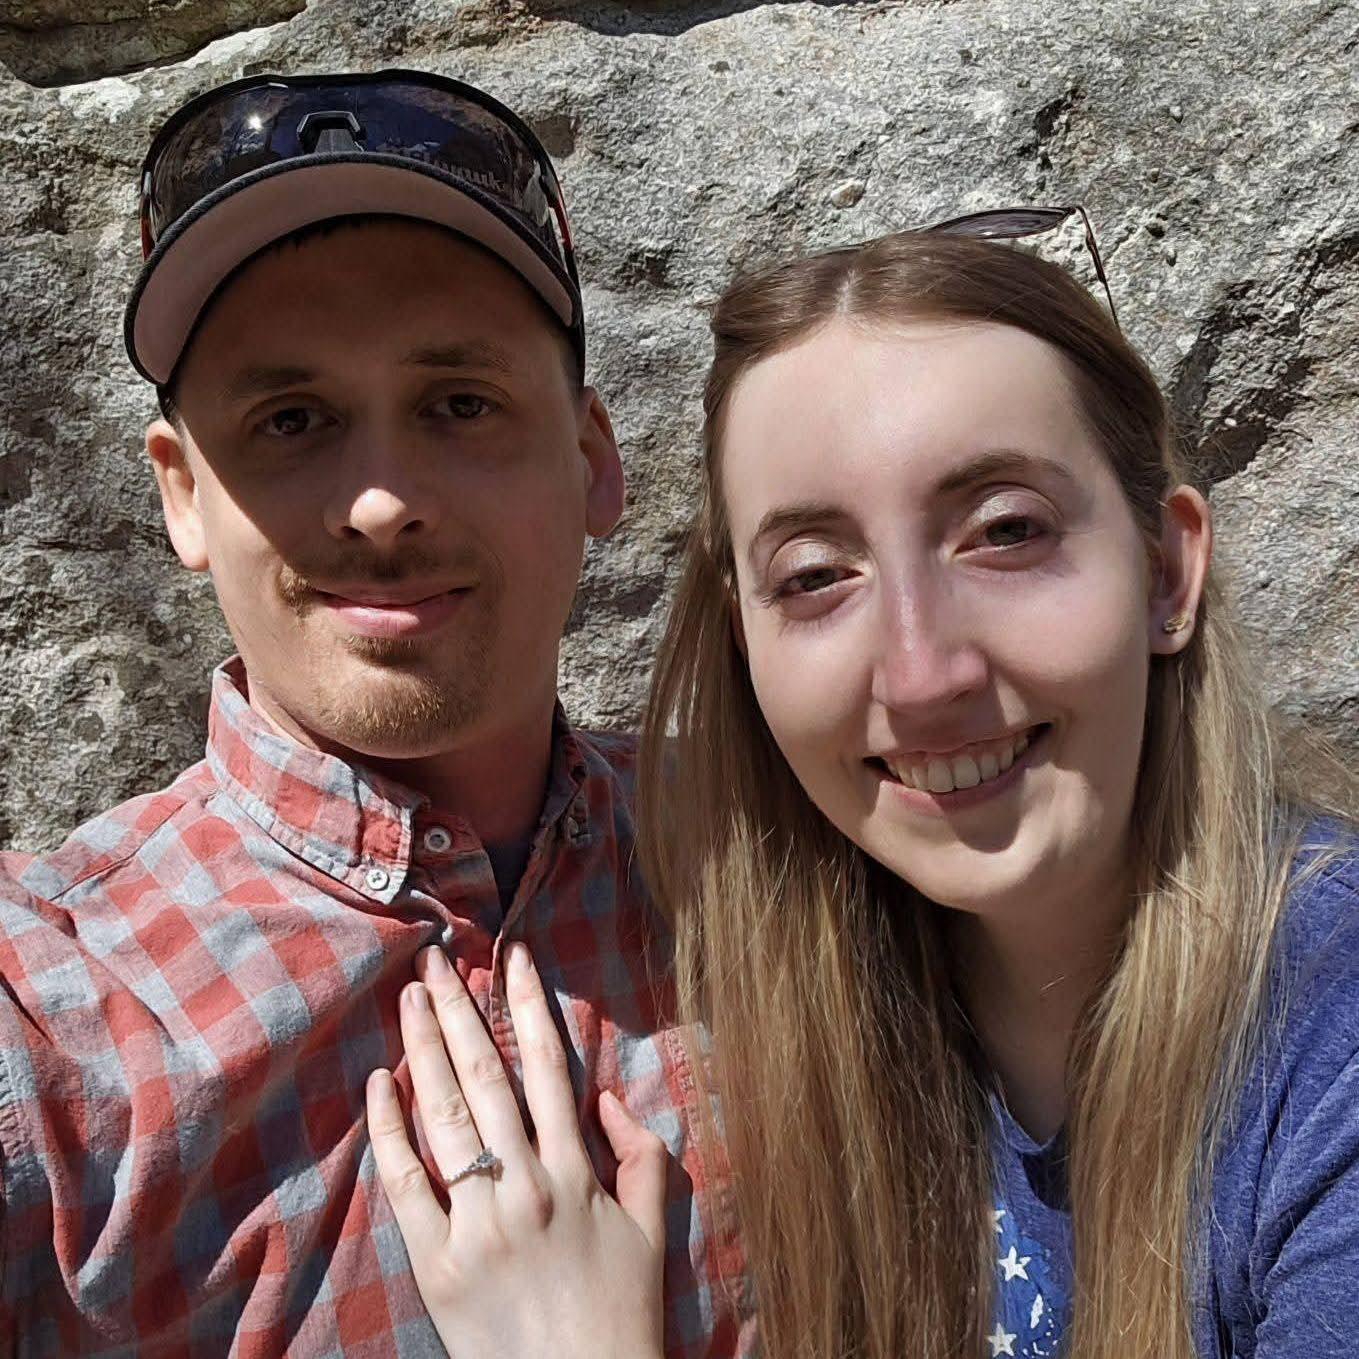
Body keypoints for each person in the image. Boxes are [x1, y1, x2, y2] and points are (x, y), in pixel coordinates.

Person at [370, 221, 1359, 1357]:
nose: (923, 672)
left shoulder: (1325, 1043)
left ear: (1169, 572)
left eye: (1006, 532)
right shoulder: (823, 998)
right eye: (815, 577)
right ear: (744, 645)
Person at [0, 69, 755, 1357]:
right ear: (183, 496)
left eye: (459, 403)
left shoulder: (792, 853)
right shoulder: (56, 1017)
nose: (378, 502)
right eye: (291, 419)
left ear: (592, 460)